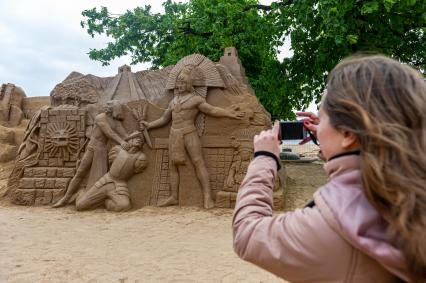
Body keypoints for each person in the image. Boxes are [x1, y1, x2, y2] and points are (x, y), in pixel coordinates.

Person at [232, 55, 426, 282]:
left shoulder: (335, 227)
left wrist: (264, 157)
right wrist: (334, 143)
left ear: (348, 133)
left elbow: (247, 234)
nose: (318, 127)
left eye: (323, 119)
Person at [143, 65, 244, 209]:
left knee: (198, 163)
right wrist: (148, 125)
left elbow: (212, 110)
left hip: (189, 133)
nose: (180, 85)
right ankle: (173, 197)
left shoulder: (195, 99)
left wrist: (228, 112)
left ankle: (207, 197)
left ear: (190, 84)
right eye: (179, 83)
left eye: (183, 83)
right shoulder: (173, 101)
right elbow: (164, 120)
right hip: (174, 134)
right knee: (173, 166)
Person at [53, 100, 130, 208]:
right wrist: (122, 142)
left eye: (109, 106)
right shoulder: (100, 117)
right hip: (92, 147)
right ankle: (65, 198)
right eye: (106, 105)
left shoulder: (116, 122)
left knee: (99, 178)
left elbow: (125, 135)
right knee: (80, 172)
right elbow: (108, 132)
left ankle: (92, 198)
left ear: (114, 109)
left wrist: (136, 135)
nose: (106, 107)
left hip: (102, 150)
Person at [75, 131, 147, 212]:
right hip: (106, 181)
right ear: (129, 140)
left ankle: (105, 202)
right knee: (80, 205)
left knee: (124, 206)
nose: (139, 140)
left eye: (141, 139)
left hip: (119, 185)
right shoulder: (117, 150)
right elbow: (110, 162)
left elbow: (137, 169)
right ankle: (81, 191)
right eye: (136, 138)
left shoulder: (140, 157)